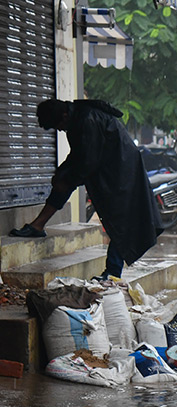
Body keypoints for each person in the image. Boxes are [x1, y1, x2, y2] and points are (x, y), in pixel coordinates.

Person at [9, 98, 159, 281]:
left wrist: (67, 178)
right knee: (64, 181)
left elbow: (88, 162)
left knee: (119, 223)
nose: (61, 130)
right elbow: (79, 155)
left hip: (121, 171)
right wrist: (62, 173)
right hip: (110, 167)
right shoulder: (77, 118)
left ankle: (113, 272)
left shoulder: (87, 119)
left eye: (59, 126)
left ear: (64, 115)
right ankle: (38, 225)